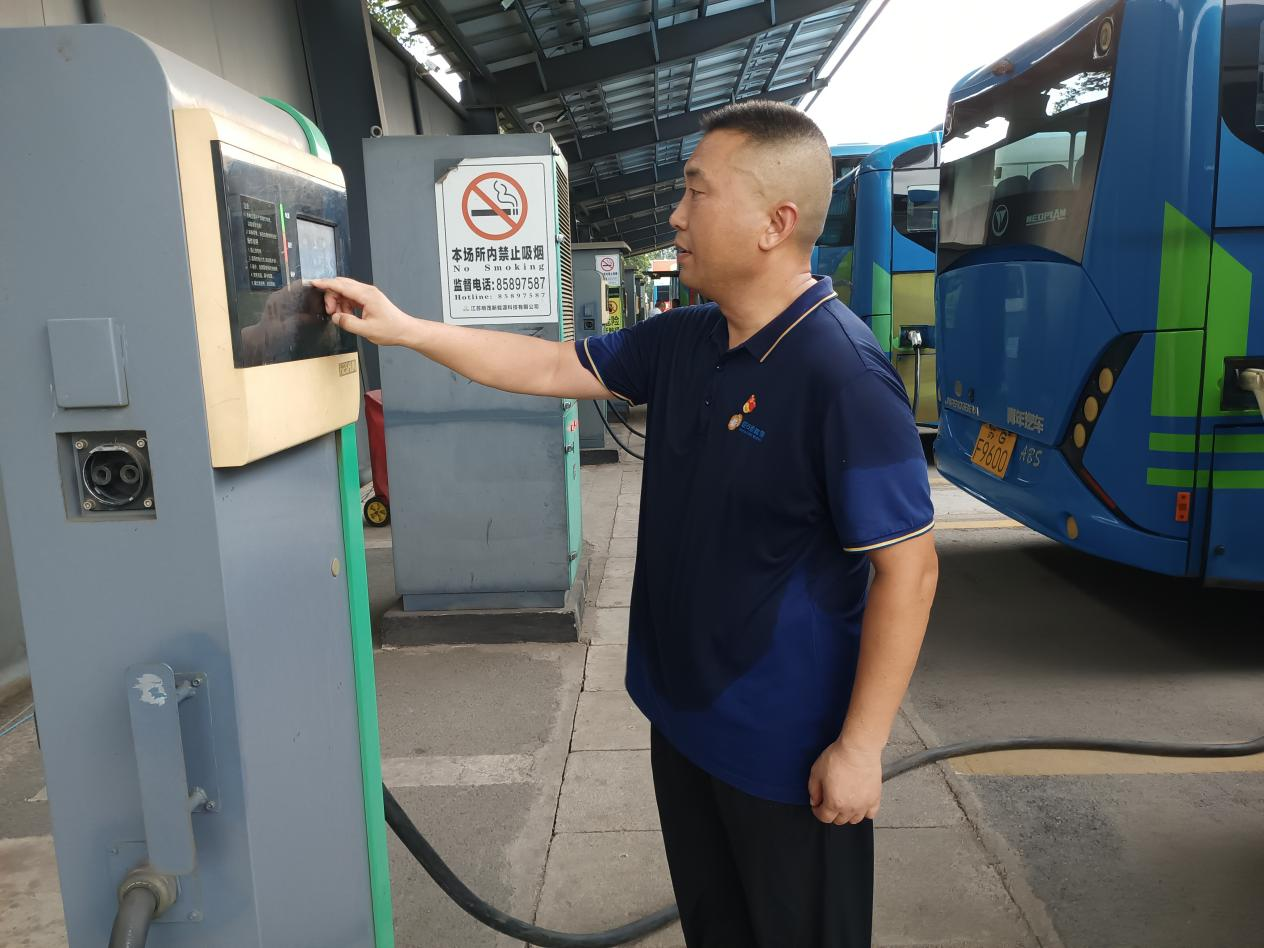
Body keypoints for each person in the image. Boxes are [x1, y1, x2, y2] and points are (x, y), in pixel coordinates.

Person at [314, 99, 936, 947]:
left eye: (697, 192)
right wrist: (407, 329)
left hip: (782, 748)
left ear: (775, 223)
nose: (675, 216)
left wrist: (860, 749)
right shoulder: (686, 339)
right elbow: (547, 365)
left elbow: (910, 569)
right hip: (683, 720)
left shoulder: (845, 375)